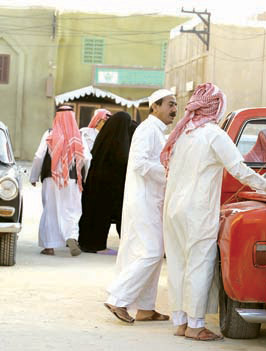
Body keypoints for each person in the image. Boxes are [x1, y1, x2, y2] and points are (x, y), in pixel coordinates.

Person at [161, 83, 266, 341]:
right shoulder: (213, 134)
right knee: (199, 265)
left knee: (179, 264)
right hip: (197, 210)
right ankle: (195, 325)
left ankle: (180, 322)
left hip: (173, 210)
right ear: (216, 107)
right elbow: (239, 169)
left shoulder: (184, 134)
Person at [104, 89, 176, 324]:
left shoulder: (158, 132)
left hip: (153, 201)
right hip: (143, 201)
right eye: (170, 104)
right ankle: (118, 298)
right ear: (155, 106)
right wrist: (168, 173)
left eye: (176, 105)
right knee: (152, 252)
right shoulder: (147, 130)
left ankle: (146, 308)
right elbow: (140, 163)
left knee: (150, 254)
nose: (174, 110)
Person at [29, 105, 88, 256]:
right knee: (72, 210)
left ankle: (49, 246)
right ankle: (72, 237)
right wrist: (82, 176)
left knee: (51, 210)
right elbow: (87, 158)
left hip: (52, 178)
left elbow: (38, 156)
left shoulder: (50, 133)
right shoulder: (79, 136)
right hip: (73, 179)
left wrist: (33, 176)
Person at [78, 111, 137, 253]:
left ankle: (88, 243)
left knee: (94, 214)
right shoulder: (119, 144)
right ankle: (97, 245)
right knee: (106, 216)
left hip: (95, 184)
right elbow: (122, 161)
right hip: (109, 188)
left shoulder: (103, 139)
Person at [79, 108, 110, 177]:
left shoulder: (109, 137)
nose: (106, 124)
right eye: (104, 121)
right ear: (97, 120)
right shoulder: (85, 132)